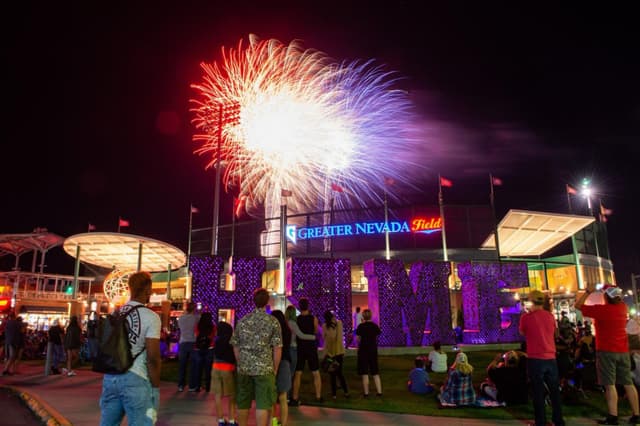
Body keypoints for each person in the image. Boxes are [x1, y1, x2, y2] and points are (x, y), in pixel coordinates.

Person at [99, 271, 161, 426]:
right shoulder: (151, 317)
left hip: (110, 377)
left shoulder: (116, 313)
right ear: (147, 289)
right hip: (136, 378)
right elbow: (153, 358)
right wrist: (155, 389)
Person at [575, 283, 640, 425]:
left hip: (606, 351)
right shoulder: (623, 308)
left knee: (609, 384)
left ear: (606, 297)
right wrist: (607, 288)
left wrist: (588, 292)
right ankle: (636, 414)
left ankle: (613, 416)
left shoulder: (602, 310)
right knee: (628, 383)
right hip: (622, 351)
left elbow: (578, 306)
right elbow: (614, 295)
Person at [230, 288, 282, 426]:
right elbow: (277, 348)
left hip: (245, 367)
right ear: (267, 302)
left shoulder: (243, 321)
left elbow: (235, 345)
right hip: (264, 368)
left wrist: (240, 361)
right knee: (263, 403)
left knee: (243, 402)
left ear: (254, 301)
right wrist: (275, 368)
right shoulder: (273, 322)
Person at [519, 290, 565, 426]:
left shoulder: (526, 318)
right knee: (554, 391)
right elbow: (553, 332)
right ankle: (558, 419)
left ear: (531, 302)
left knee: (538, 391)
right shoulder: (550, 316)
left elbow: (522, 332)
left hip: (535, 357)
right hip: (550, 357)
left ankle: (540, 421)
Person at [290, 297, 322, 406]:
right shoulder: (313, 318)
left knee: (298, 373)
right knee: (316, 372)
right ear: (308, 306)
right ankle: (318, 396)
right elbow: (316, 331)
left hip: (300, 347)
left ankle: (295, 396)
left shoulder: (297, 320)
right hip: (311, 347)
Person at [284, 305, 315, 400]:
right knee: (291, 374)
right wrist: (313, 337)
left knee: (285, 373)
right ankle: (287, 397)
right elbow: (301, 335)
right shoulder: (292, 323)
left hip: (285, 350)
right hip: (293, 349)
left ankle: (283, 395)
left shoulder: (284, 323)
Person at [212, 321, 237, 426]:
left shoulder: (217, 341)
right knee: (232, 396)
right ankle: (231, 420)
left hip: (216, 368)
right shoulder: (231, 341)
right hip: (228, 369)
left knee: (218, 395)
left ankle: (221, 420)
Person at [271, 310, 292, 426]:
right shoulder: (287, 331)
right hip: (285, 362)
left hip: (273, 362)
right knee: (283, 396)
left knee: (272, 396)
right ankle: (283, 423)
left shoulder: (272, 331)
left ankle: (274, 422)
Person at [322, 310, 349, 399]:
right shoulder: (339, 324)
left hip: (331, 353)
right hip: (338, 352)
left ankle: (334, 394)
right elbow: (339, 338)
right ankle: (345, 392)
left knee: (333, 374)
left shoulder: (325, 326)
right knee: (339, 373)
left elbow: (325, 339)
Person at [356, 308, 382, 398]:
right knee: (375, 371)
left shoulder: (360, 327)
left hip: (363, 350)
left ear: (363, 316)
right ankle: (379, 392)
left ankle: (366, 393)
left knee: (364, 372)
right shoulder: (375, 326)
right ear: (371, 316)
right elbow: (378, 335)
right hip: (372, 350)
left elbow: (358, 339)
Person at [177, 302, 200, 392]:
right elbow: (199, 318)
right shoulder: (195, 318)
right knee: (192, 365)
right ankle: (191, 385)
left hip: (183, 341)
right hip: (192, 341)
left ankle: (181, 385)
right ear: (194, 309)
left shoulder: (181, 318)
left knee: (182, 365)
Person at [191, 312, 216, 392]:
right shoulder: (213, 327)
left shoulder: (198, 326)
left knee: (198, 369)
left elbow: (195, 335)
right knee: (208, 370)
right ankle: (208, 387)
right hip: (210, 348)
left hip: (198, 349)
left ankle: (197, 386)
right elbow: (214, 336)